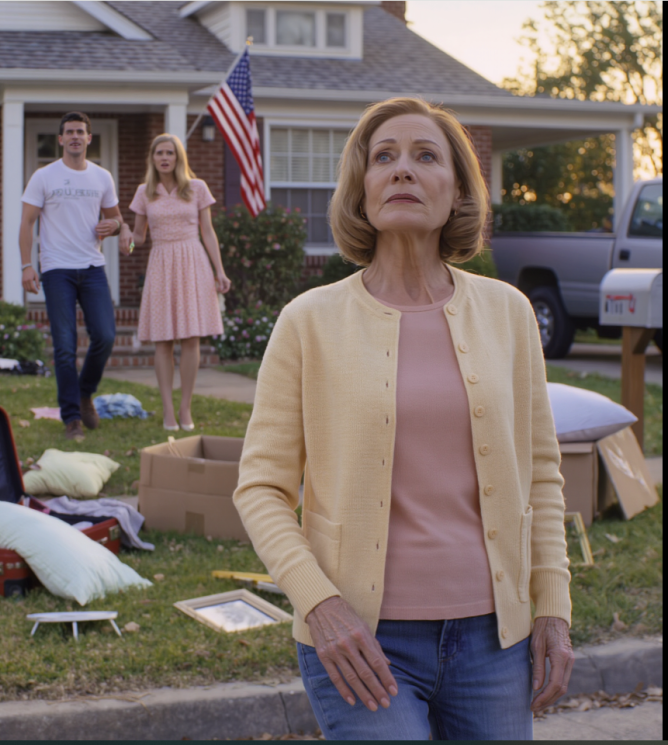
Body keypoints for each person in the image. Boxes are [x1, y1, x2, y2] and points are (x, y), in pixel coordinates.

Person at [233, 97, 574, 741]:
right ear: (362, 190)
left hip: (494, 641)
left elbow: (543, 474)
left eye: (425, 157)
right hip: (361, 640)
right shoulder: (308, 322)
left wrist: (551, 606)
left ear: (457, 190)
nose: (402, 171)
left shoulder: (508, 313)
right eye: (383, 158)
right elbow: (262, 488)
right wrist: (320, 604)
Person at [19, 112, 129, 441]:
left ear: (89, 138)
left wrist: (117, 228)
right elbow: (26, 223)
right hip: (57, 270)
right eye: (69, 132)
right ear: (61, 139)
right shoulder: (44, 176)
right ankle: (72, 419)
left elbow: (118, 221)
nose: (75, 137)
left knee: (106, 336)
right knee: (65, 346)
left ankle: (84, 393)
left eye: (81, 131)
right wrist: (27, 265)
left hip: (93, 268)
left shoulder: (102, 177)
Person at [119, 134, 231, 432]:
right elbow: (139, 239)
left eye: (170, 153)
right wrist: (127, 240)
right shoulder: (145, 192)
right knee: (163, 340)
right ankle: (168, 410)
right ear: (153, 158)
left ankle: (185, 408)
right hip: (161, 263)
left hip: (193, 261)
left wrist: (220, 270)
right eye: (159, 153)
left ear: (179, 158)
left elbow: (207, 232)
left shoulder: (196, 188)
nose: (165, 158)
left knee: (191, 338)